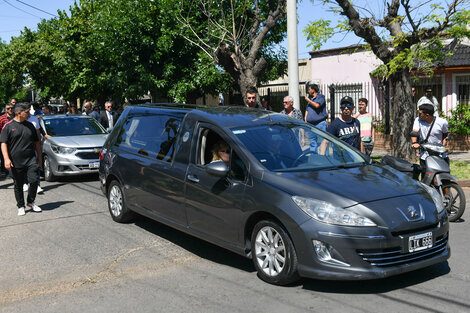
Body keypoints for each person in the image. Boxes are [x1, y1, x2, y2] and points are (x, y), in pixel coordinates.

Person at [0, 102, 43, 216]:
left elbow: (37, 143)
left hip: (31, 159)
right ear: (19, 113)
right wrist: (6, 159)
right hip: (16, 161)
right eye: (27, 112)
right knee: (18, 185)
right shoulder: (8, 126)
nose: (29, 114)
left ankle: (31, 201)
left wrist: (39, 158)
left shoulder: (30, 126)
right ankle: (20, 206)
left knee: (34, 181)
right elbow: (3, 143)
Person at [411, 102, 448, 169]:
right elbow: (414, 132)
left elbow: (445, 134)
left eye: (420, 113)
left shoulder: (442, 122)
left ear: (427, 115)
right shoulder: (418, 120)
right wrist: (414, 142)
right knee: (425, 176)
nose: (418, 115)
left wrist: (444, 145)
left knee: (444, 175)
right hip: (425, 155)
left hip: (439, 154)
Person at [23, 110, 45, 194]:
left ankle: (37, 185)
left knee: (35, 166)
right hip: (22, 148)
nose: (28, 113)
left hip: (33, 146)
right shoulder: (18, 121)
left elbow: (38, 132)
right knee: (24, 167)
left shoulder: (34, 119)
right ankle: (25, 183)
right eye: (26, 111)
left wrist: (39, 144)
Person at [0, 101, 16, 177]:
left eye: (11, 108)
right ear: (6, 109)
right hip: (5, 141)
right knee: (5, 156)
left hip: (15, 141)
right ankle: (6, 170)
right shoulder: (2, 118)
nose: (10, 109)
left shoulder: (17, 117)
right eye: (8, 108)